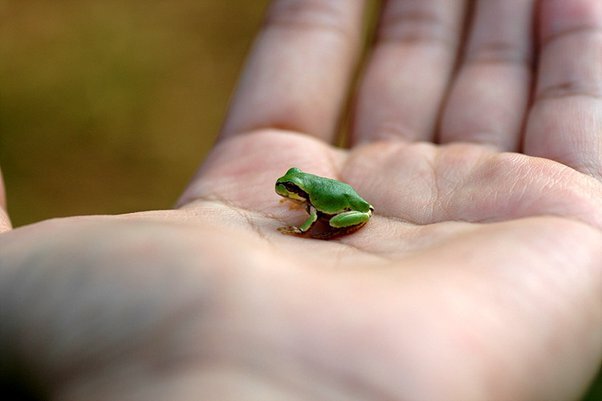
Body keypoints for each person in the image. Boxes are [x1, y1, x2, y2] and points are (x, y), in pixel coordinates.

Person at [1, 0, 601, 399]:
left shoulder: (312, 202)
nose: (284, 193)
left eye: (289, 190)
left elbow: (322, 206)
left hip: (350, 207)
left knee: (335, 212)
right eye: (290, 188)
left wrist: (307, 224)